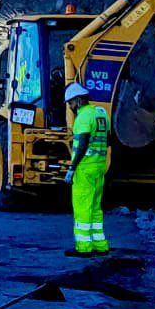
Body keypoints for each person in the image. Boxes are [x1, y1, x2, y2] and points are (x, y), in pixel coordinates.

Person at [64, 82, 111, 255]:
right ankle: (100, 245)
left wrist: (71, 168)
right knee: (96, 207)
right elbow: (109, 139)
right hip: (99, 167)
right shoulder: (101, 114)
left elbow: (82, 144)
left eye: (70, 103)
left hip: (85, 168)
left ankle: (83, 247)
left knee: (82, 207)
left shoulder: (83, 117)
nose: (70, 107)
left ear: (77, 100)